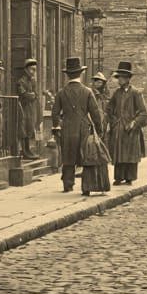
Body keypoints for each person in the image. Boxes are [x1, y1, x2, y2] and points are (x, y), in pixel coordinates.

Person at [52, 56, 107, 195]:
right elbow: (95, 113)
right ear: (81, 74)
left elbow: (55, 113)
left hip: (67, 129)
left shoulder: (61, 92)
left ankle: (67, 185)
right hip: (83, 128)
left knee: (68, 157)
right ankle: (86, 187)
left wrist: (57, 127)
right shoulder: (87, 92)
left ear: (67, 75)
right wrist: (99, 130)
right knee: (85, 157)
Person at [104, 62, 147, 186]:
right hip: (119, 129)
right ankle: (118, 177)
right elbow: (108, 109)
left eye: (122, 77)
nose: (119, 80)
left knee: (130, 154)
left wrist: (134, 123)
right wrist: (114, 122)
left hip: (131, 130)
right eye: (118, 77)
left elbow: (144, 113)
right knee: (119, 153)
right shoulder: (117, 93)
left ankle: (129, 177)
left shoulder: (136, 93)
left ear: (128, 79)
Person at [15, 58, 40, 159]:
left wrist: (33, 95)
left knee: (30, 127)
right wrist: (31, 95)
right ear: (26, 70)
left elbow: (36, 94)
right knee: (23, 128)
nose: (33, 72)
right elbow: (24, 94)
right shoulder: (20, 82)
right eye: (31, 69)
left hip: (31, 108)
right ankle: (24, 151)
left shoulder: (33, 81)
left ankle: (28, 149)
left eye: (35, 70)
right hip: (23, 107)